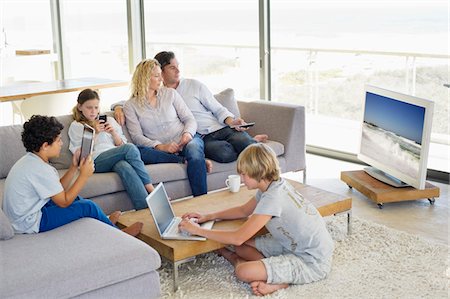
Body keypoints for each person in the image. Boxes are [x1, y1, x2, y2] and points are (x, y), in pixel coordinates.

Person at [178, 143, 334, 296]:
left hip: (312, 260)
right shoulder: (272, 186)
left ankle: (280, 280)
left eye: (244, 174)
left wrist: (198, 230)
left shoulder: (273, 198)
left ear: (258, 172)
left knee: (242, 271)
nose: (241, 178)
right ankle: (274, 272)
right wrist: (209, 216)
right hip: (293, 245)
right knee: (243, 247)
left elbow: (238, 237)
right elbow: (243, 210)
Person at [113, 51, 268, 163]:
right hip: (201, 137)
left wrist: (231, 121)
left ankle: (254, 148)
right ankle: (247, 144)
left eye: (178, 66)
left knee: (245, 143)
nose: (178, 70)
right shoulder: (158, 93)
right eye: (172, 68)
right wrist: (117, 107)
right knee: (224, 154)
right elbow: (134, 100)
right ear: (159, 71)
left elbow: (218, 108)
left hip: (218, 128)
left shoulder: (193, 85)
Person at [2, 115, 142, 236]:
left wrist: (74, 167)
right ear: (45, 146)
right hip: (30, 222)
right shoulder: (40, 169)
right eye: (58, 141)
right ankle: (118, 234)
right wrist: (84, 175)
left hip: (25, 215)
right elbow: (63, 201)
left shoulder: (32, 160)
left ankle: (107, 224)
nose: (61, 144)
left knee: (77, 198)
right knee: (86, 206)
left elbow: (57, 189)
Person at [123, 59, 211, 197]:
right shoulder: (130, 106)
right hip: (161, 150)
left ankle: (200, 199)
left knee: (194, 149)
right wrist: (160, 146)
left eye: (160, 75)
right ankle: (184, 160)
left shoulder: (170, 94)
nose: (161, 79)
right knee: (137, 152)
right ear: (145, 78)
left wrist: (187, 134)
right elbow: (136, 137)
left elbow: (189, 119)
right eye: (157, 76)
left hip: (185, 139)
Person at [69, 88, 159, 210]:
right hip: (94, 161)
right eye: (89, 107)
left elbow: (121, 144)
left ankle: (144, 210)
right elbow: (82, 154)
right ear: (80, 107)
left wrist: (113, 133)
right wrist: (94, 133)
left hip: (114, 156)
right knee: (130, 148)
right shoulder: (77, 126)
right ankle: (152, 190)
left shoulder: (109, 120)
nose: (93, 111)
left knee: (124, 166)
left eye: (96, 107)